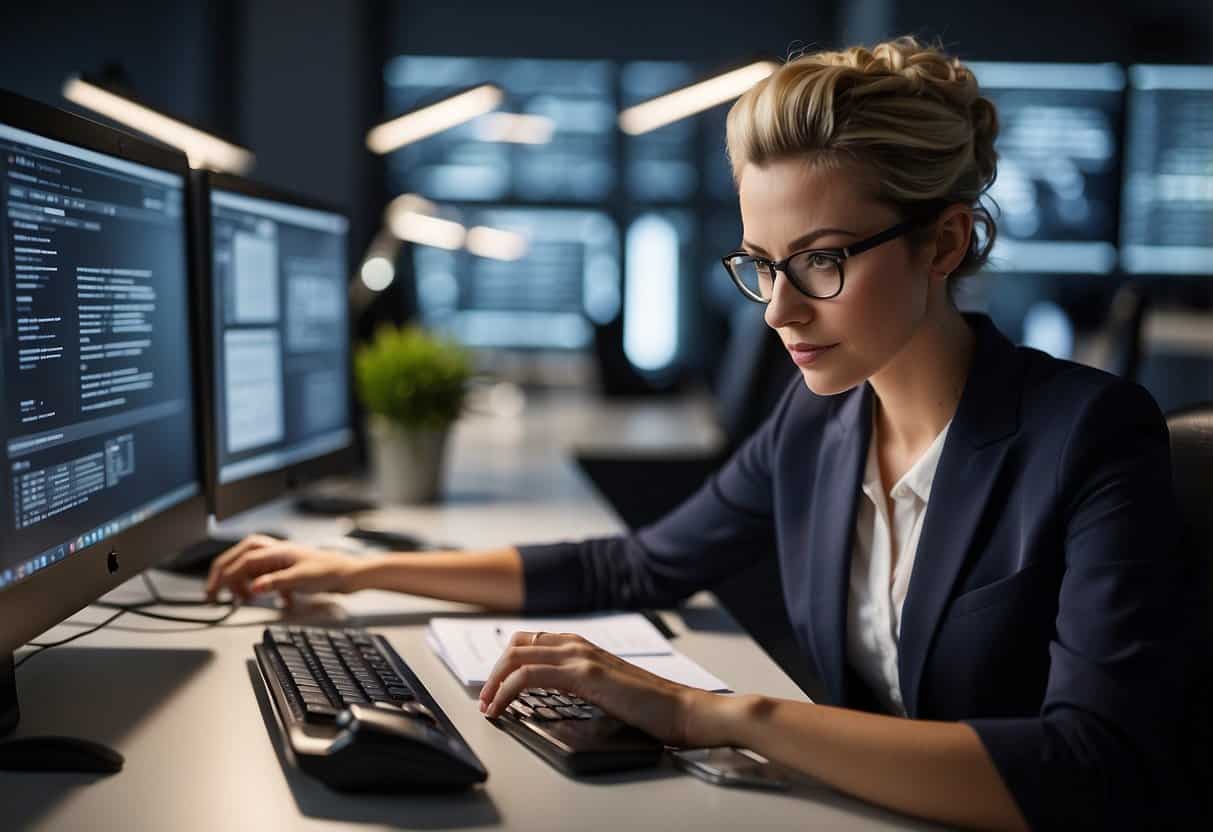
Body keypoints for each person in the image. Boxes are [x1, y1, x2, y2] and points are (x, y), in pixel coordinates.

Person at [206, 37, 1208, 830]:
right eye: (760, 264)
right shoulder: (819, 424)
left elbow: (1090, 768)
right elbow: (629, 566)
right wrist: (356, 573)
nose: (778, 310)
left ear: (942, 242)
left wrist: (706, 712)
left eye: (819, 261)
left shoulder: (1085, 433)